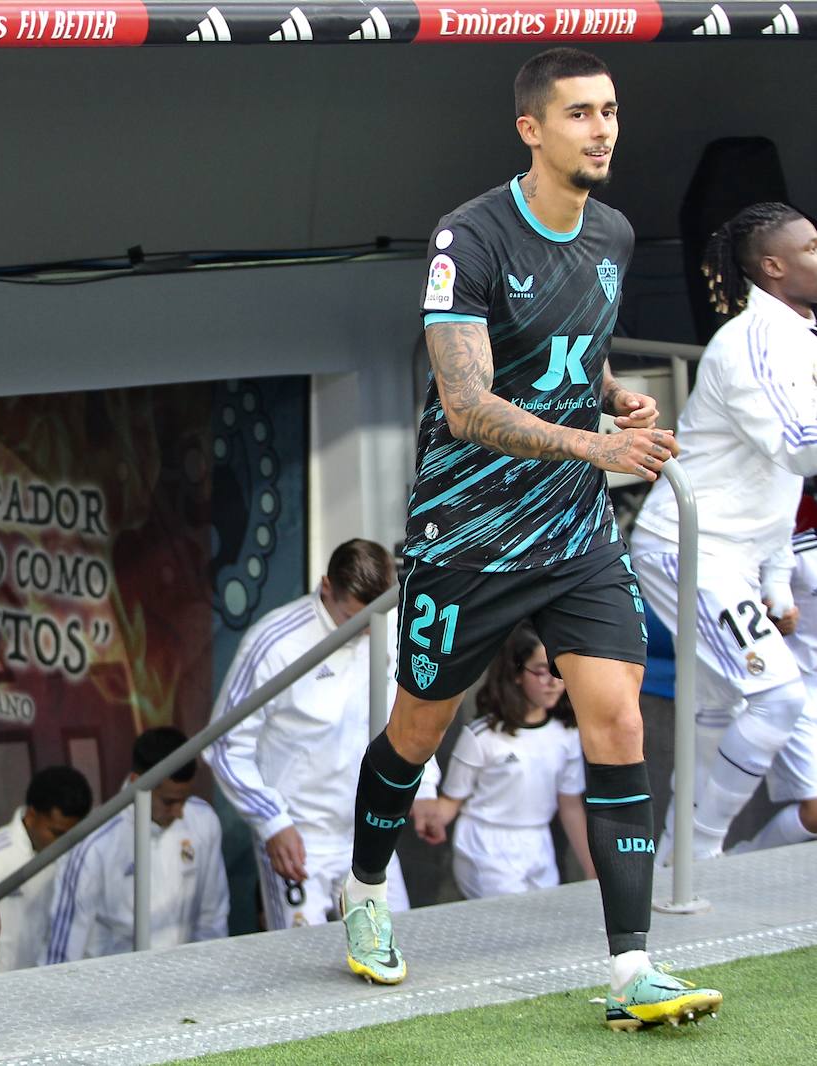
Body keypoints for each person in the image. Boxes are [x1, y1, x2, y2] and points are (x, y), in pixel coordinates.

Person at [339, 47, 721, 1030]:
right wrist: (597, 443)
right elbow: (466, 402)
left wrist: (613, 393)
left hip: (574, 535)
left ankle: (633, 965)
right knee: (417, 733)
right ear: (531, 129)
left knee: (622, 723)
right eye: (581, 114)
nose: (603, 129)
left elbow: (565, 355)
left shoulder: (616, 233)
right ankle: (368, 889)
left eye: (611, 111)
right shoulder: (467, 237)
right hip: (466, 539)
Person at [631, 202, 817, 866]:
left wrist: (775, 581)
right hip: (688, 547)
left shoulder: (800, 339)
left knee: (715, 709)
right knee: (777, 694)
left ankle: (673, 863)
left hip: (733, 556)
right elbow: (800, 447)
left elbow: (776, 479)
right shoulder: (753, 341)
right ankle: (701, 855)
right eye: (812, 248)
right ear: (772, 267)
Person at [204, 539, 439, 929]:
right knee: (303, 964)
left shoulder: (391, 625)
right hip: (299, 836)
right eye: (353, 618)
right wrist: (272, 823)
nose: (366, 631)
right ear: (326, 587)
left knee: (394, 939)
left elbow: (407, 715)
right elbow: (225, 746)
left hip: (368, 827)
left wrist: (425, 787)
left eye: (375, 619)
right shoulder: (275, 642)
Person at [420, 624, 594, 898]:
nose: (553, 681)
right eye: (541, 670)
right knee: (510, 928)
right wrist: (424, 811)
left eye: (559, 670)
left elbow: (570, 805)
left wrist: (592, 869)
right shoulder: (483, 735)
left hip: (539, 842)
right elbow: (452, 801)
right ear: (515, 673)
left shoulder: (567, 733)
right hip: (487, 846)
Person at [44, 728, 227, 963]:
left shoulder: (203, 821)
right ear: (137, 782)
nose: (179, 812)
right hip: (114, 988)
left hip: (184, 982)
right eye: (169, 801)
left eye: (184, 799)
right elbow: (62, 953)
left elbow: (212, 919)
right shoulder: (94, 845)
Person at [732, 492, 817, 854]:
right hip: (796, 684)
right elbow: (747, 592)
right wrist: (773, 615)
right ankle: (741, 863)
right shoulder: (793, 514)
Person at [0, 765, 92, 972]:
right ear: (32, 814)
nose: (64, 844)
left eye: (72, 835)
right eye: (56, 833)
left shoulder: (78, 856)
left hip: (40, 988)